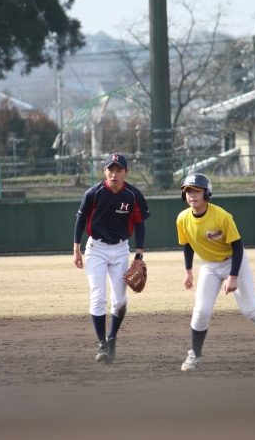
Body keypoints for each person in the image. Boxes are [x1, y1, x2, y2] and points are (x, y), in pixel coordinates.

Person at [176, 173, 255, 371]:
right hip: (209, 265)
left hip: (233, 261)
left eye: (197, 191)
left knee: (251, 311)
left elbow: (237, 247)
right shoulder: (182, 218)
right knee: (201, 311)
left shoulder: (222, 217)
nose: (192, 195)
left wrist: (233, 276)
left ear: (207, 193)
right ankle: (195, 356)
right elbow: (187, 244)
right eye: (188, 191)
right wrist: (188, 271)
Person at [73, 153, 150, 364]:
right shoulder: (94, 193)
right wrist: (76, 249)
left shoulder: (133, 195)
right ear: (104, 171)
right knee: (98, 296)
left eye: (119, 170)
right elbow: (80, 219)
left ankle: (112, 336)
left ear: (126, 172)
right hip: (96, 248)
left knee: (120, 301)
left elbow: (140, 223)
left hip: (121, 249)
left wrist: (138, 256)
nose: (114, 174)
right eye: (110, 169)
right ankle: (102, 344)